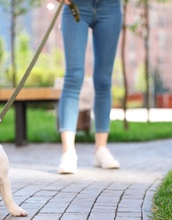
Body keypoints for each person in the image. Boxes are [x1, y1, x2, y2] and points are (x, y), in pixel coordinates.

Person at [57, 0, 122, 174]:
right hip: (76, 6)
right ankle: (68, 152)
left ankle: (101, 149)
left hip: (110, 7)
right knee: (73, 77)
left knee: (104, 80)